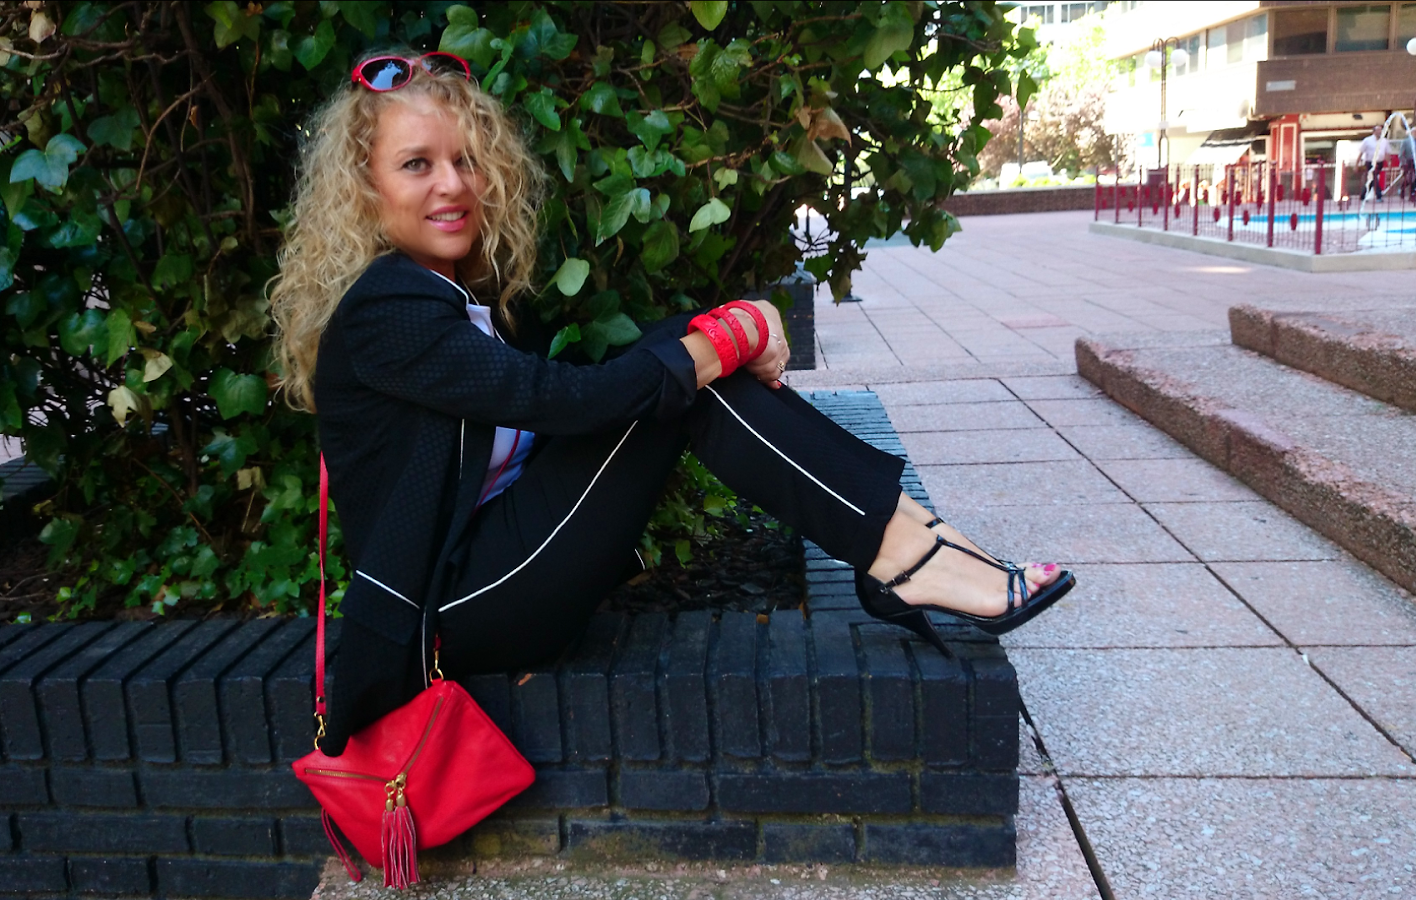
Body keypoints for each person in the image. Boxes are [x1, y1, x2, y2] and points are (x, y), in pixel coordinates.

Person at [268, 52, 1075, 756]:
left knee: (677, 356)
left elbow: (592, 393)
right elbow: (566, 403)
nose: (453, 184)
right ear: (366, 189)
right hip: (457, 610)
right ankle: (907, 553)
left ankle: (912, 543)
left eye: (466, 160)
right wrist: (734, 333)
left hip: (503, 565)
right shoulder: (387, 310)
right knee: (685, 378)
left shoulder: (461, 296)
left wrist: (712, 336)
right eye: (417, 165)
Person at [1357, 123, 1390, 201]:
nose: (1379, 132)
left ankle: (1363, 195)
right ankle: (1379, 195)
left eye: (1380, 130)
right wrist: (1357, 163)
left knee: (1371, 179)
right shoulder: (1367, 140)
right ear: (1374, 131)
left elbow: (1386, 153)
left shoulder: (1384, 141)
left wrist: (1389, 162)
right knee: (1374, 177)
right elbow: (1361, 152)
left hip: (1380, 162)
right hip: (1370, 162)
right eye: (1378, 130)